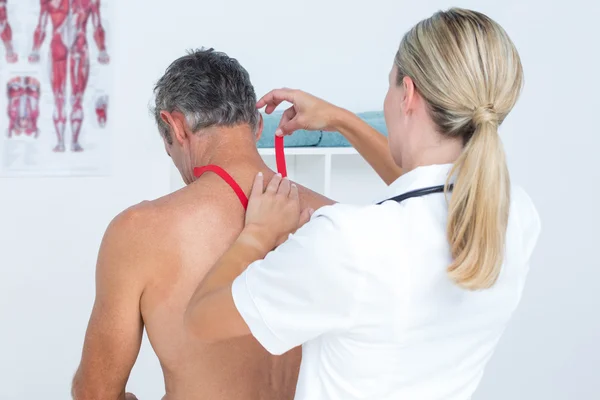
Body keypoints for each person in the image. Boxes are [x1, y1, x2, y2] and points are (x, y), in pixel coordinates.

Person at [186, 8, 541, 400]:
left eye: (389, 86)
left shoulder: (348, 243)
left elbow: (201, 321)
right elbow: (422, 192)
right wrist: (342, 120)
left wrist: (256, 235)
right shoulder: (513, 215)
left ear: (407, 94)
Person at [71, 49, 360, 400]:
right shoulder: (337, 220)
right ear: (256, 127)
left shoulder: (137, 232)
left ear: (175, 126)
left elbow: (95, 394)